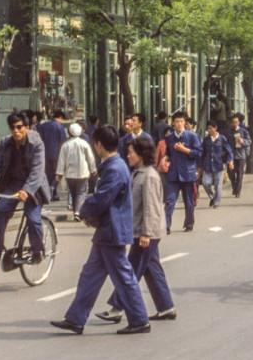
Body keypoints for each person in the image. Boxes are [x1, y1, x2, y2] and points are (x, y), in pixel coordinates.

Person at [51, 125, 150, 335]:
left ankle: (140, 319)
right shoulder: (115, 165)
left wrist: (84, 210)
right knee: (90, 275)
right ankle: (76, 318)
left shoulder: (114, 168)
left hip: (112, 230)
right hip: (108, 230)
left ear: (98, 145)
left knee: (123, 277)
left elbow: (103, 198)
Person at [96, 136, 176, 324]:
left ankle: (117, 307)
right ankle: (166, 307)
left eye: (131, 152)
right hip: (141, 230)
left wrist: (146, 233)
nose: (128, 155)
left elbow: (151, 207)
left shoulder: (149, 176)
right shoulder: (138, 173)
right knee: (151, 269)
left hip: (147, 232)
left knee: (131, 269)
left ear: (141, 154)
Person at [0, 111, 51, 263]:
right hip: (14, 183)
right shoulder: (6, 143)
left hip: (33, 186)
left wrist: (27, 190)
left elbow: (38, 170)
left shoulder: (37, 142)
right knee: (1, 212)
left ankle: (37, 251)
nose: (16, 131)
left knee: (33, 219)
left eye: (19, 127)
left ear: (27, 127)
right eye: (13, 128)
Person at [163, 111, 201, 233]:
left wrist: (185, 150)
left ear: (185, 122)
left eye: (181, 121)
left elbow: (198, 153)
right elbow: (168, 153)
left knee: (189, 202)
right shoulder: (169, 138)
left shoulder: (192, 136)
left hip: (188, 173)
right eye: (176, 122)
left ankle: (189, 223)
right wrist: (165, 159)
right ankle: (166, 226)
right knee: (169, 201)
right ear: (173, 123)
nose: (179, 124)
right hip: (173, 174)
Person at [56, 123, 98, 221]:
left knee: (73, 192)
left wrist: (59, 173)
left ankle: (76, 210)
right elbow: (90, 158)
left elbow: (61, 160)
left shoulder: (65, 145)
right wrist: (93, 169)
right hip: (82, 173)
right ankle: (78, 212)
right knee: (81, 192)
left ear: (69, 132)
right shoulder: (84, 144)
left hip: (69, 174)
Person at [200, 120, 233, 208]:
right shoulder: (206, 140)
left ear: (215, 128)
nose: (209, 130)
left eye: (211, 128)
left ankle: (216, 202)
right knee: (205, 183)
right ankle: (212, 197)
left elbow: (229, 151)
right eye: (208, 129)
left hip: (219, 165)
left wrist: (230, 161)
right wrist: (199, 166)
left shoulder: (222, 138)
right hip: (207, 165)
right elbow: (202, 153)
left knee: (218, 186)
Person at [36, 110, 67, 201]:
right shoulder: (60, 127)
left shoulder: (43, 125)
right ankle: (52, 189)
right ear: (60, 117)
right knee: (57, 174)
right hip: (56, 154)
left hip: (44, 154)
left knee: (47, 174)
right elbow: (62, 142)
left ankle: (48, 193)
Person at [227, 114, 250, 198]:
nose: (234, 124)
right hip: (231, 156)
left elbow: (249, 141)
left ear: (239, 122)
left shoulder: (244, 131)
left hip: (241, 155)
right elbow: (226, 143)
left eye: (236, 122)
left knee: (240, 174)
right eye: (233, 122)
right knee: (231, 173)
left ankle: (238, 191)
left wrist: (242, 141)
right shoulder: (228, 131)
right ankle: (234, 186)